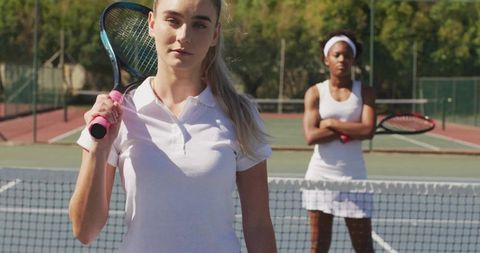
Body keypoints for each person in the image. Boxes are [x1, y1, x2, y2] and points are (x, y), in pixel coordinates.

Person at [68, 0, 277, 252]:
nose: (184, 36)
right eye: (173, 21)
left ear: (215, 34)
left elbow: (258, 226)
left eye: (200, 24)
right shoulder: (119, 115)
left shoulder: (240, 114)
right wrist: (99, 149)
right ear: (152, 24)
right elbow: (85, 231)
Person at [302, 30, 376, 253]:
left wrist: (331, 123)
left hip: (355, 179)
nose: (342, 59)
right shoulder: (315, 93)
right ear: (327, 59)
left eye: (346, 55)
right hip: (320, 178)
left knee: (364, 248)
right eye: (336, 55)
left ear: (353, 60)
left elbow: (368, 129)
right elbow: (311, 136)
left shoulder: (365, 91)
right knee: (318, 247)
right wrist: (352, 130)